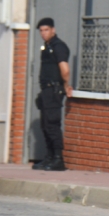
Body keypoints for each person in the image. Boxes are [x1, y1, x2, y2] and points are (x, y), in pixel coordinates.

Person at [32, 17, 73, 171]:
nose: (43, 33)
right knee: (45, 125)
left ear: (53, 30)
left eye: (46, 30)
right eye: (41, 30)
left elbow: (65, 70)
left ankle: (58, 159)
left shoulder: (58, 46)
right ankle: (49, 157)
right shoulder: (47, 46)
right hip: (46, 90)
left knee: (52, 124)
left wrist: (66, 86)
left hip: (54, 90)